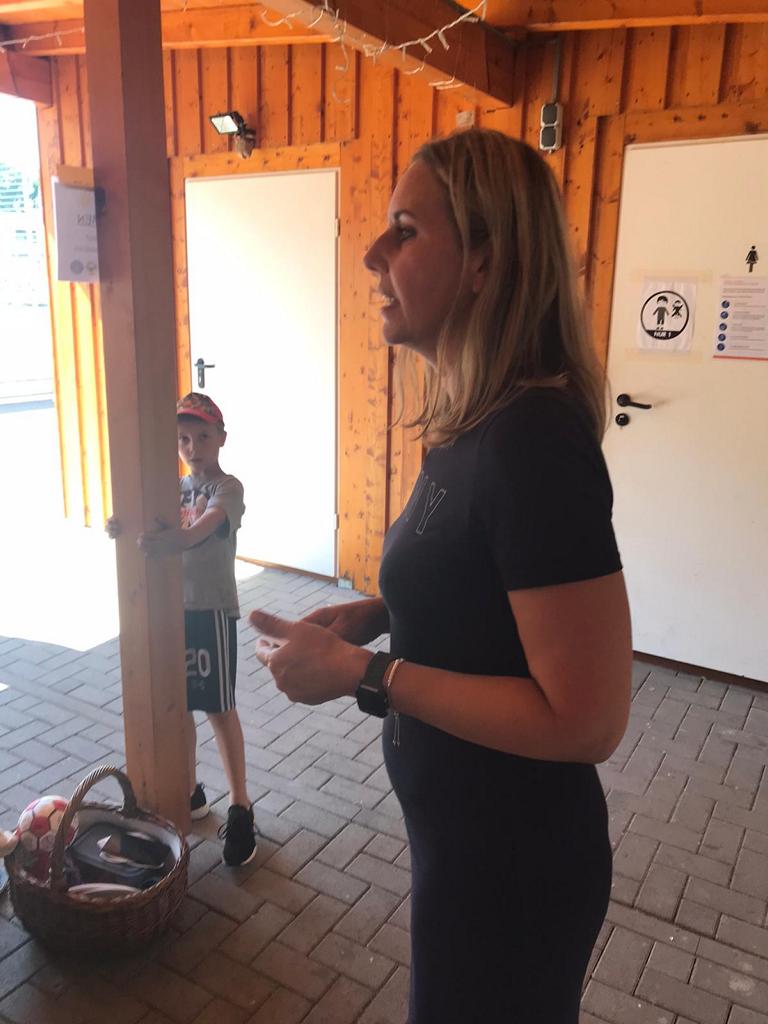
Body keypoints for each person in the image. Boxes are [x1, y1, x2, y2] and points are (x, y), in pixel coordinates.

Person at [250, 129, 632, 1021]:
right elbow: (487, 580)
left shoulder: (532, 441)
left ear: (484, 264)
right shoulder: (473, 420)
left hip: (515, 874)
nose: (373, 253)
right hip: (463, 850)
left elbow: (589, 719)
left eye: (406, 230)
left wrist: (366, 674)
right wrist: (384, 612)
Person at [108, 392, 256, 867]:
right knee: (181, 706)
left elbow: (201, 529)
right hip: (173, 613)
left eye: (203, 437)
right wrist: (121, 526)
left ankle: (241, 806)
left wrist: (171, 540)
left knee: (218, 707)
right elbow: (137, 520)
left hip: (211, 611)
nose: (193, 448)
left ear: (222, 438)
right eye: (184, 439)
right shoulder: (172, 489)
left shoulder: (227, 488)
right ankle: (192, 791)